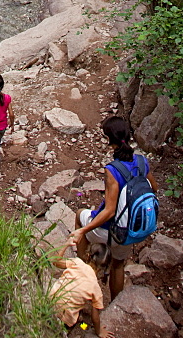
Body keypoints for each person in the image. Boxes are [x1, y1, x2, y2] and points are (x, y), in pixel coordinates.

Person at [68, 115, 158, 299]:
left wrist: (83, 229)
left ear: (109, 141)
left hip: (111, 230)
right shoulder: (142, 162)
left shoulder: (113, 170)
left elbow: (109, 211)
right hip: (130, 231)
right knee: (118, 265)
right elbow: (154, 188)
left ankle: (81, 267)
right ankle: (117, 304)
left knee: (79, 215)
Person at [50, 238, 115, 338]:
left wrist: (66, 244)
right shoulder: (95, 289)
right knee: (81, 323)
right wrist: (99, 332)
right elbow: (95, 317)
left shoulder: (76, 263)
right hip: (65, 319)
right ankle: (82, 327)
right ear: (104, 268)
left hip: (50, 301)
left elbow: (55, 262)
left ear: (88, 255)